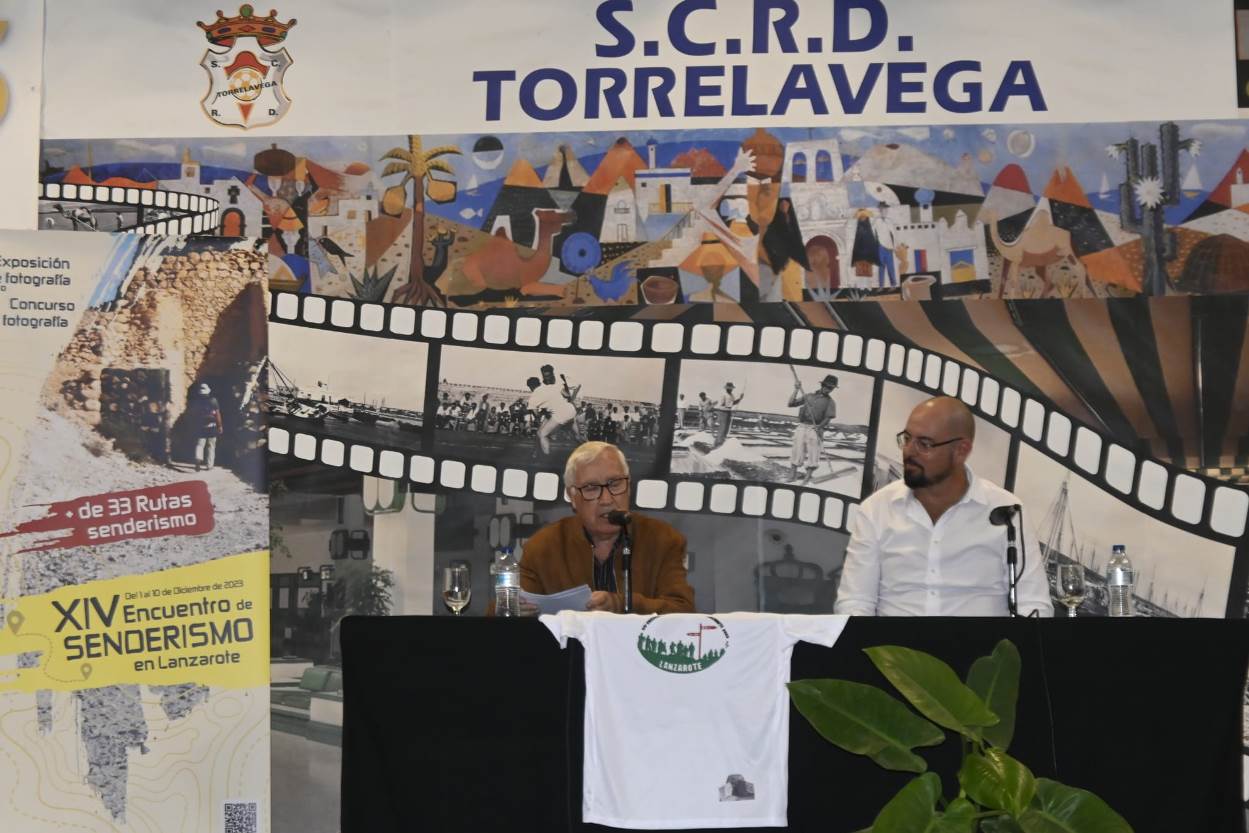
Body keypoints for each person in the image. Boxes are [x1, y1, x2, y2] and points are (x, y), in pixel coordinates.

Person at [834, 396, 1052, 617]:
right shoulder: (876, 509)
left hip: (983, 650)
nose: (909, 451)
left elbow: (1034, 605)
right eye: (907, 438)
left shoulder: (1006, 511)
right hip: (895, 650)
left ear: (961, 450)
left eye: (924, 444)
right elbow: (855, 601)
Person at [519, 441, 695, 613]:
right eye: (591, 488)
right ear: (572, 496)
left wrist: (621, 604)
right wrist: (516, 611)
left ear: (629, 487)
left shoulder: (663, 540)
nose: (606, 500)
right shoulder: (542, 547)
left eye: (615, 484)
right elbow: (500, 614)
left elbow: (683, 611)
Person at [787, 374, 838, 483]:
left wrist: (819, 427)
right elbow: (791, 403)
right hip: (802, 426)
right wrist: (796, 389)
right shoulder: (808, 396)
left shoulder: (830, 402)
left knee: (813, 453)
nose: (828, 389)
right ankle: (792, 476)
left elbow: (828, 418)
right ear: (822, 385)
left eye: (831, 388)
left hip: (815, 428)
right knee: (797, 450)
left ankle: (807, 477)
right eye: (827, 386)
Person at [526, 375, 577, 457]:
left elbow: (537, 414)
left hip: (558, 414)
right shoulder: (550, 388)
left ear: (531, 387)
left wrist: (540, 414)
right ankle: (536, 452)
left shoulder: (535, 395)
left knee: (542, 434)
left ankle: (544, 457)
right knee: (578, 436)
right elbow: (567, 395)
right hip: (569, 410)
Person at [188, 383, 223, 471]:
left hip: (201, 427)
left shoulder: (196, 402)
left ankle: (198, 459)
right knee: (211, 446)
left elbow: (193, 415)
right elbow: (218, 415)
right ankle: (209, 465)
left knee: (200, 445)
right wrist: (220, 426)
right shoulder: (213, 400)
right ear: (208, 391)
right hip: (212, 427)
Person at [712, 381, 745, 449]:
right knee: (722, 428)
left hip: (728, 412)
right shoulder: (723, 394)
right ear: (726, 388)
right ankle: (717, 444)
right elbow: (722, 404)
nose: (730, 389)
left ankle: (721, 443)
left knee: (726, 429)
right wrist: (730, 407)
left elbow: (733, 403)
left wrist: (740, 398)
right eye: (728, 388)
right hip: (722, 412)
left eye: (731, 388)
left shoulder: (732, 395)